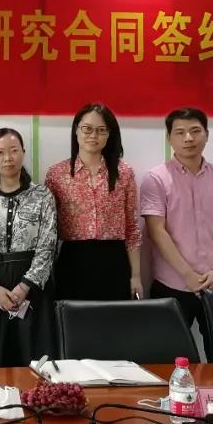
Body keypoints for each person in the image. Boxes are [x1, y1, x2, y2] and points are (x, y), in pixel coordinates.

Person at [140, 108, 213, 359]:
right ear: (169, 138)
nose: (188, 138)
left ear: (207, 135)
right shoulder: (156, 178)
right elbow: (157, 231)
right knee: (167, 360)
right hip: (173, 284)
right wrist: (188, 275)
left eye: (195, 131)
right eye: (180, 132)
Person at [0, 128, 58, 366]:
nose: (7, 158)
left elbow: (47, 246)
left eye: (13, 151)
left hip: (33, 287)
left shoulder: (42, 195)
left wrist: (24, 287)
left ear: (23, 153)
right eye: (0, 152)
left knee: (34, 359)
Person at [45, 103, 141, 301]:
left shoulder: (124, 173)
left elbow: (132, 228)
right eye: (87, 129)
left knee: (114, 319)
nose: (93, 136)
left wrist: (136, 276)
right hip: (73, 261)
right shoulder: (57, 174)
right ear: (76, 130)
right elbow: (48, 231)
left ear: (109, 134)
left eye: (101, 130)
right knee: (72, 319)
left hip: (114, 261)